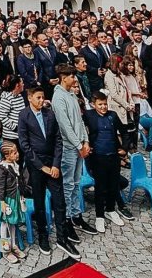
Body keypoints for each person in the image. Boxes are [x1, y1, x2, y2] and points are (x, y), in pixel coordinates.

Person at [16, 85, 74, 258]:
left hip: (53, 163)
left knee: (59, 201)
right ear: (30, 98)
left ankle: (63, 238)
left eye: (43, 97)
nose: (42, 101)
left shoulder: (50, 114)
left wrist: (56, 164)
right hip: (37, 166)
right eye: (38, 98)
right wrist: (41, 166)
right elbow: (24, 144)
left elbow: (58, 139)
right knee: (39, 202)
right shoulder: (24, 116)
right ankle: (43, 236)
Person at [52, 64, 94, 242]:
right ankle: (66, 218)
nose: (74, 79)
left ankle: (76, 214)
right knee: (68, 184)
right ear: (63, 77)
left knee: (76, 182)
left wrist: (85, 140)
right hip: (69, 147)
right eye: (71, 76)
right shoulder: (58, 97)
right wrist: (78, 144)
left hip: (78, 145)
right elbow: (65, 125)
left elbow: (79, 120)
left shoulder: (71, 95)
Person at [83, 92, 131, 233]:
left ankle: (111, 209)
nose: (103, 107)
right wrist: (85, 145)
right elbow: (80, 129)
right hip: (98, 157)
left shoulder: (113, 115)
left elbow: (124, 132)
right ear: (93, 104)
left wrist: (124, 148)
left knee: (113, 184)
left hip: (113, 156)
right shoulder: (89, 115)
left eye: (105, 104)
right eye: (100, 104)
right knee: (100, 187)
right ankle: (99, 216)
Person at [0, 142, 27, 264]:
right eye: (14, 153)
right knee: (5, 223)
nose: (17, 154)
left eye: (17, 152)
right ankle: (5, 249)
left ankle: (13, 245)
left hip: (15, 197)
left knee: (13, 222)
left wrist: (21, 194)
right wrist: (2, 202)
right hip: (7, 200)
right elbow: (0, 187)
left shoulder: (15, 165)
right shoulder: (3, 168)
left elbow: (19, 181)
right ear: (6, 155)